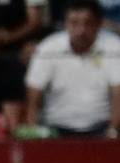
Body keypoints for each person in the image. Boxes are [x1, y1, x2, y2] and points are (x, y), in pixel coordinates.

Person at [25, 0, 120, 136]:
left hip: (101, 127)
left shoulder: (114, 47)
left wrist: (112, 131)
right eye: (74, 23)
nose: (80, 31)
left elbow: (118, 93)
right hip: (55, 128)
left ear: (99, 24)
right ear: (65, 24)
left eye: (87, 23)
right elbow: (33, 92)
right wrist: (33, 131)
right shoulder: (48, 48)